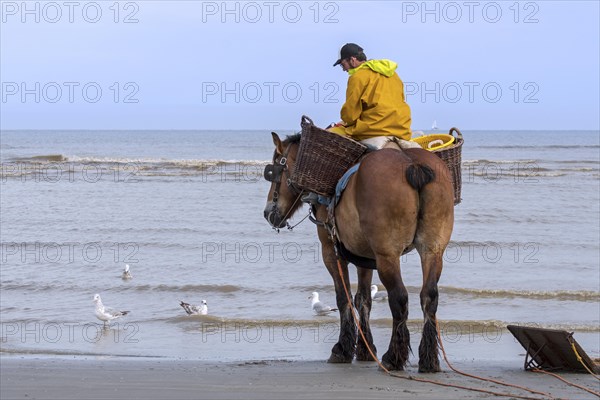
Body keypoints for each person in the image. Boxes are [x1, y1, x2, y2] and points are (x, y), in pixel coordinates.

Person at [329, 43, 412, 141]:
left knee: (328, 135)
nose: (343, 69)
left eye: (343, 64)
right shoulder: (392, 73)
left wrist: (344, 121)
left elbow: (350, 115)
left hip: (374, 129)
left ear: (352, 60)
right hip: (402, 128)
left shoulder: (357, 77)